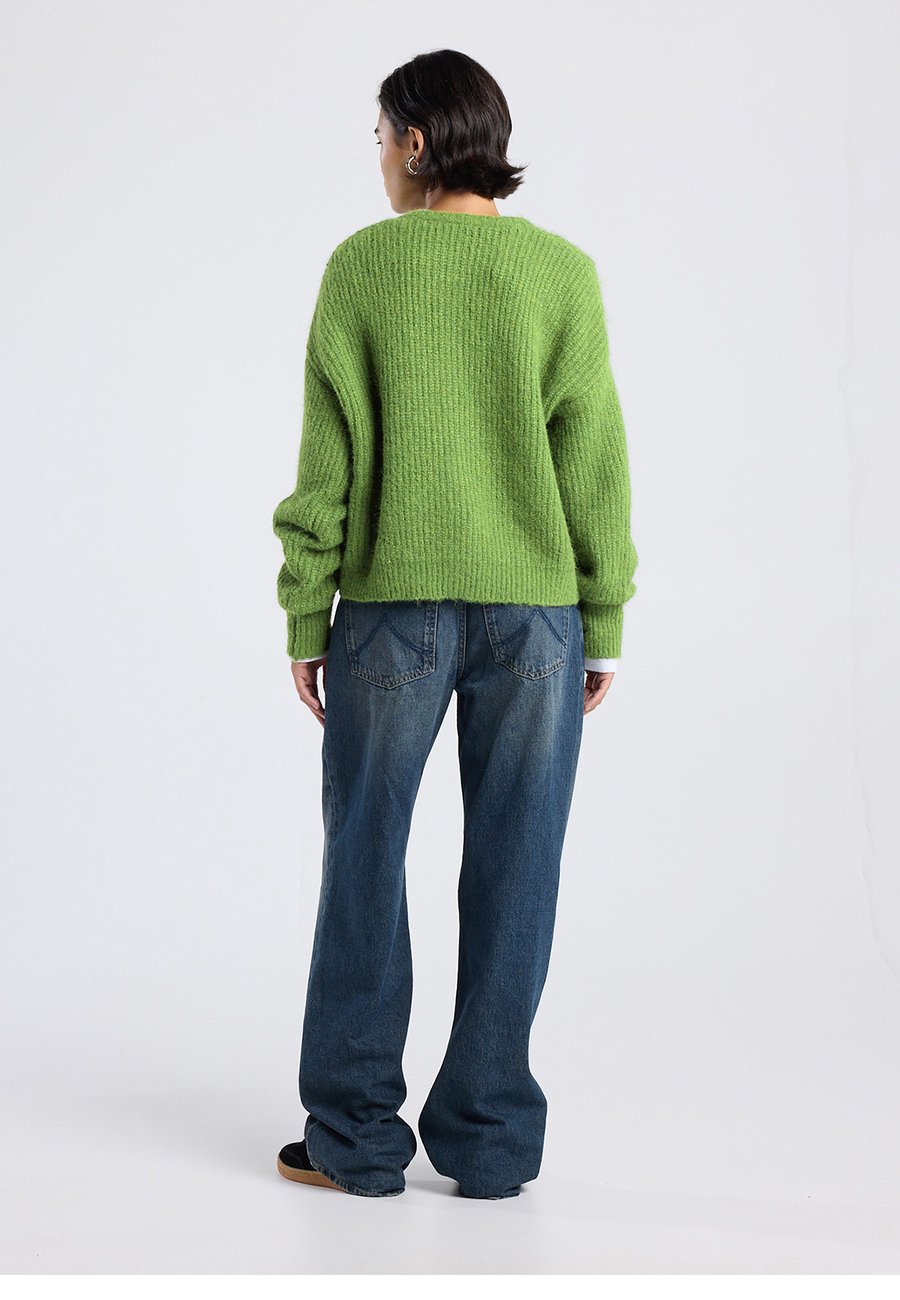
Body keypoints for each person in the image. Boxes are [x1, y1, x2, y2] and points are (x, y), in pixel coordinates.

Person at [271, 48, 638, 1200]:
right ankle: (487, 1142)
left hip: (392, 613)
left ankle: (355, 1138)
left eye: (382, 136)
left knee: (365, 858)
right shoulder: (560, 273)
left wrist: (305, 611)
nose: (379, 158)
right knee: (520, 867)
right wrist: (602, 615)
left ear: (419, 141)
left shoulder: (365, 267)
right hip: (538, 622)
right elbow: (595, 457)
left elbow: (326, 464)